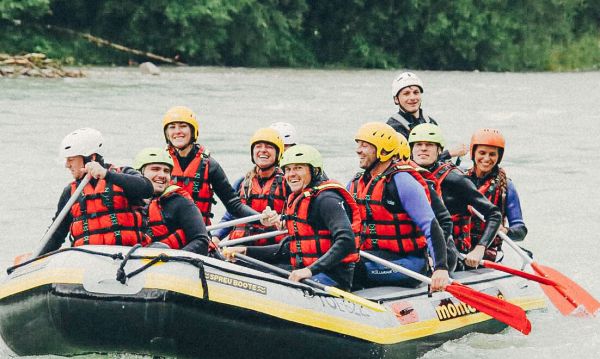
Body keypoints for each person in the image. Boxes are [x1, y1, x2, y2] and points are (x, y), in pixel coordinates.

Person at [223, 145, 360, 291]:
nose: (291, 174)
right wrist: (246, 251)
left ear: (314, 171)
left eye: (298, 168)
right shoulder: (299, 198)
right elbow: (291, 248)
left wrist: (310, 271)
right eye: (288, 169)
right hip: (307, 271)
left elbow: (347, 240)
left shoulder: (327, 199)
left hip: (332, 277)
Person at [349, 122, 449, 290]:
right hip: (372, 255)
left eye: (364, 145)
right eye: (358, 144)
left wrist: (440, 268)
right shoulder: (357, 182)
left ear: (383, 150)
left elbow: (430, 226)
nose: (358, 150)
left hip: (406, 263)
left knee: (350, 268)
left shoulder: (402, 181)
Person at [38, 128, 153, 255]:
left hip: (125, 257)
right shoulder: (69, 193)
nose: (67, 165)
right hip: (88, 262)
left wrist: (106, 175)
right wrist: (35, 257)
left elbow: (147, 189)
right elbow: (56, 236)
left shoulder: (123, 175)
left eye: (71, 159)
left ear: (91, 158)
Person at [162, 106, 275, 227]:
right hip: (166, 234)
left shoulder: (209, 165)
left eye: (183, 126)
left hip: (196, 234)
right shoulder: (159, 163)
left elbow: (234, 205)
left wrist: (260, 218)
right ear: (167, 134)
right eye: (172, 127)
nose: (177, 131)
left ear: (193, 131)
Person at [408, 123, 502, 268]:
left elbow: (494, 214)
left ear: (439, 150)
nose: (423, 149)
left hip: (452, 253)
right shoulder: (403, 176)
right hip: (416, 249)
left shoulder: (456, 180)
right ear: (411, 149)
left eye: (429, 145)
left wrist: (479, 249)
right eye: (418, 144)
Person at [211, 128, 289, 246]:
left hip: (271, 248)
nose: (263, 150)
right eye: (258, 146)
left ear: (278, 153)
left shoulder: (287, 184)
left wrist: (279, 218)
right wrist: (216, 237)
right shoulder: (242, 183)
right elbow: (231, 215)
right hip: (239, 246)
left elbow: (296, 216)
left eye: (269, 147)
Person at [395, 134, 459, 272]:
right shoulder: (367, 183)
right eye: (418, 145)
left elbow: (445, 221)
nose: (423, 149)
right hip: (395, 254)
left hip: (438, 253)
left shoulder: (414, 182)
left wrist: (433, 256)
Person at [134, 147, 211, 254]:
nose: (162, 175)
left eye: (166, 171)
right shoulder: (128, 203)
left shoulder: (180, 203)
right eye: (155, 169)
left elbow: (202, 242)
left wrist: (172, 259)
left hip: (175, 264)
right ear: (139, 173)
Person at [465, 129, 527, 261]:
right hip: (460, 247)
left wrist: (505, 231)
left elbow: (521, 231)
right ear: (473, 153)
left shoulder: (506, 187)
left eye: (492, 154)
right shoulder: (459, 179)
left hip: (489, 252)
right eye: (482, 153)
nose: (486, 159)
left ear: (499, 157)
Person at [386, 71, 466, 161]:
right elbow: (405, 160)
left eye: (416, 92)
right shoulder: (392, 128)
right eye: (406, 93)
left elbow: (437, 154)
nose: (412, 98)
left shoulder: (430, 122)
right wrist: (450, 153)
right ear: (396, 99)